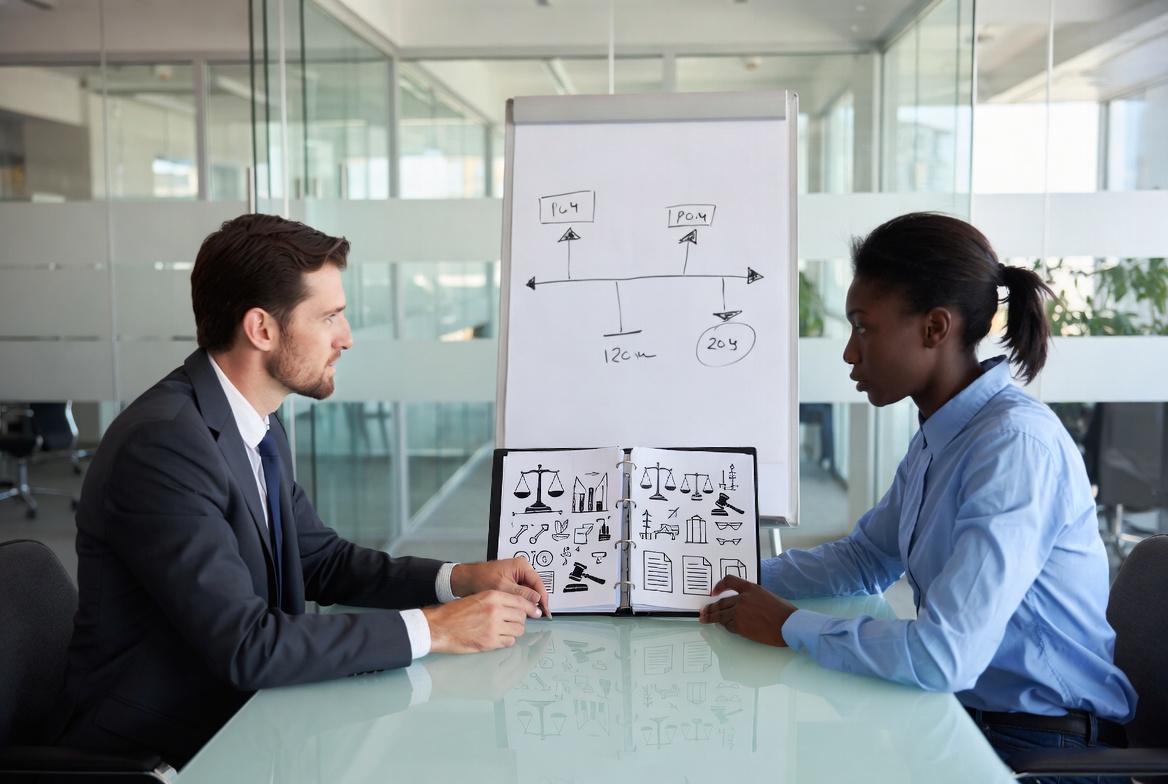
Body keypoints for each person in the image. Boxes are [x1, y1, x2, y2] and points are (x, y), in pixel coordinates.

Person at [43, 213, 551, 768]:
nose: (347, 338)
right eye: (329, 316)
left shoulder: (256, 422)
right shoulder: (163, 446)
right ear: (262, 329)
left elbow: (320, 560)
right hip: (166, 747)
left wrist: (455, 580)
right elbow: (247, 645)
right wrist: (434, 628)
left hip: (254, 720)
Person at [700, 212, 1136, 779]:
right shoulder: (943, 433)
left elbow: (943, 654)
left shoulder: (1012, 447)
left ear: (935, 328)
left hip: (1044, 753)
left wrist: (787, 625)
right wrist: (720, 575)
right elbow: (864, 559)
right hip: (971, 720)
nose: (850, 354)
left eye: (863, 327)